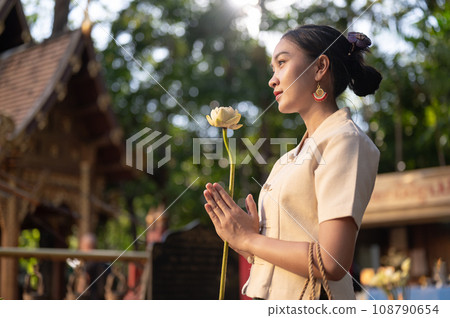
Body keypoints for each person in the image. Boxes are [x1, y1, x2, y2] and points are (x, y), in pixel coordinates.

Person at [203, 24, 382, 300]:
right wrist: (242, 239)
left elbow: (331, 262)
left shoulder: (344, 140)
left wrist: (250, 239)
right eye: (273, 69)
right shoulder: (288, 158)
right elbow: (276, 253)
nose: (272, 80)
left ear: (320, 66)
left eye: (282, 63)